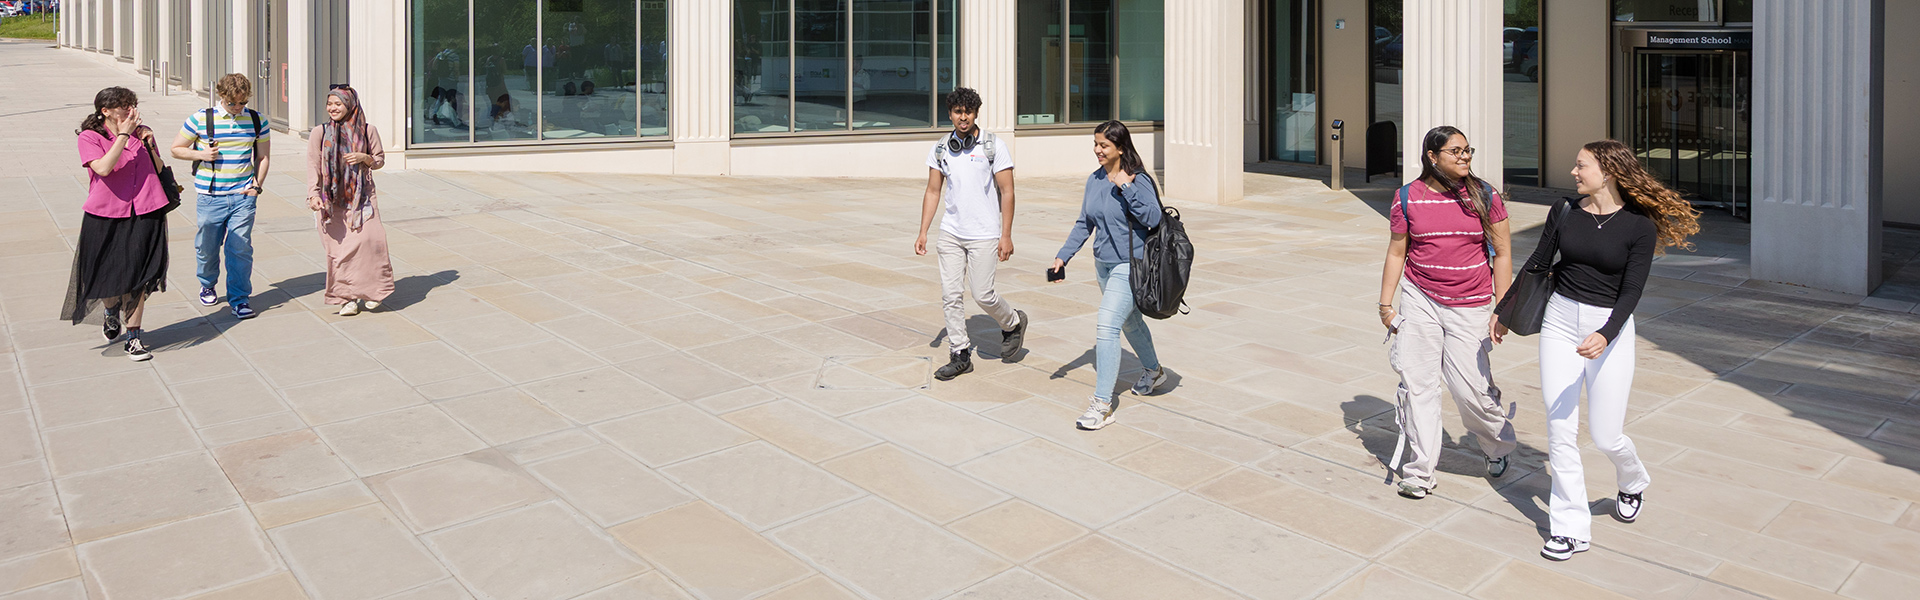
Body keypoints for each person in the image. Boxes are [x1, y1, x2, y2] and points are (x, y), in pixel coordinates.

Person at [1503, 139, 1699, 561]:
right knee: (1560, 429)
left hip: (1608, 326)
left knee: (1607, 435)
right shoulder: (1566, 210)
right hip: (1559, 319)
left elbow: (1632, 291)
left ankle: (1632, 479)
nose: (1574, 173)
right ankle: (1570, 527)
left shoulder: (1639, 225)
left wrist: (1607, 333)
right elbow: (1538, 261)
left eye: (1581, 166)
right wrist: (1505, 311)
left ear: (1607, 171)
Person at [1377, 126, 1520, 500]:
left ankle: (1497, 443)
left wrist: (1502, 308)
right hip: (1420, 298)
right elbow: (1397, 252)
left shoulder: (1484, 194)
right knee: (1419, 386)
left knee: (1470, 390)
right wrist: (1386, 304)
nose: (1465, 157)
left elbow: (1502, 253)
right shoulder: (1407, 197)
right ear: (1432, 156)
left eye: (1467, 150)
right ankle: (1420, 470)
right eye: (1455, 151)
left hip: (1470, 304)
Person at [1052, 121, 1167, 431]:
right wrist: (1064, 255)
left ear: (1120, 147)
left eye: (1103, 145)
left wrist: (1126, 187)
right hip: (1103, 264)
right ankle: (1154, 371)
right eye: (1095, 144)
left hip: (1130, 264)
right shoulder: (1094, 179)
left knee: (1107, 326)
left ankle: (1102, 405)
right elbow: (1084, 223)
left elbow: (1153, 217)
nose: (1097, 150)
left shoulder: (1136, 178)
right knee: (1130, 321)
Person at [914, 87, 1027, 381]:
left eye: (968, 112)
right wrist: (923, 231)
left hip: (985, 233)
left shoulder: (993, 146)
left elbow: (1008, 191)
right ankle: (960, 352)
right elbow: (933, 190)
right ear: (950, 114)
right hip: (951, 232)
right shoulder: (940, 149)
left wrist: (1006, 235)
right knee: (951, 295)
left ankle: (1012, 322)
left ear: (976, 113)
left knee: (982, 294)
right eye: (957, 112)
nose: (963, 117)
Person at [63, 87, 169, 361]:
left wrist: (148, 143)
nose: (130, 111)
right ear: (105, 111)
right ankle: (111, 312)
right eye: (124, 106)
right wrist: (123, 136)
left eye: (132, 104)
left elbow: (158, 168)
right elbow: (103, 168)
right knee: (110, 276)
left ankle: (134, 337)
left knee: (139, 278)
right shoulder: (90, 137)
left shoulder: (143, 132)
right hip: (106, 215)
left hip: (147, 210)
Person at [171, 73, 270, 320]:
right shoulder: (200, 119)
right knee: (207, 247)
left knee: (240, 248)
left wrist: (256, 186)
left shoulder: (257, 121)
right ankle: (207, 282)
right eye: (232, 103)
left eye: (242, 103)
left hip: (243, 195)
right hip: (210, 196)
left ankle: (239, 299)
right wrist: (201, 155)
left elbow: (263, 157)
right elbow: (176, 149)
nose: (237, 108)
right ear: (221, 96)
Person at [306, 86, 395, 316]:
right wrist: (313, 194)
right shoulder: (320, 132)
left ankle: (373, 291)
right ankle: (347, 298)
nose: (332, 108)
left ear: (350, 105)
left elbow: (379, 160)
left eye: (338, 104)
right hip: (330, 199)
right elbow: (313, 166)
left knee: (372, 241)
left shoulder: (367, 130)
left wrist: (364, 158)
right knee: (340, 251)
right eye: (330, 104)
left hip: (362, 196)